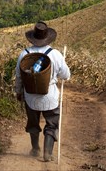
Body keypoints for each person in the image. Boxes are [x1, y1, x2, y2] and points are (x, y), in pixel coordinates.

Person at [15, 21, 70, 162]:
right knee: (51, 123)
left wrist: (19, 92)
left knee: (33, 123)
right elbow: (66, 75)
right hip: (50, 97)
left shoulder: (24, 54)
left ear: (33, 37)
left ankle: (35, 149)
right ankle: (47, 153)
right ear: (47, 37)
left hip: (30, 97)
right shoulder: (56, 54)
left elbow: (19, 77)